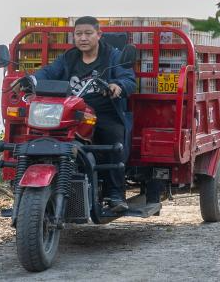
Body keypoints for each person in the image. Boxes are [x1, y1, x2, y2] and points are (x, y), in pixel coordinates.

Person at [15, 16, 135, 211]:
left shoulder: (113, 56)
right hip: (71, 111)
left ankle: (115, 194)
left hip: (103, 112)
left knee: (114, 139)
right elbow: (48, 72)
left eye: (88, 33)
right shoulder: (69, 57)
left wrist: (117, 86)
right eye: (78, 34)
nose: (83, 38)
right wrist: (31, 80)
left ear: (99, 34)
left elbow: (128, 79)